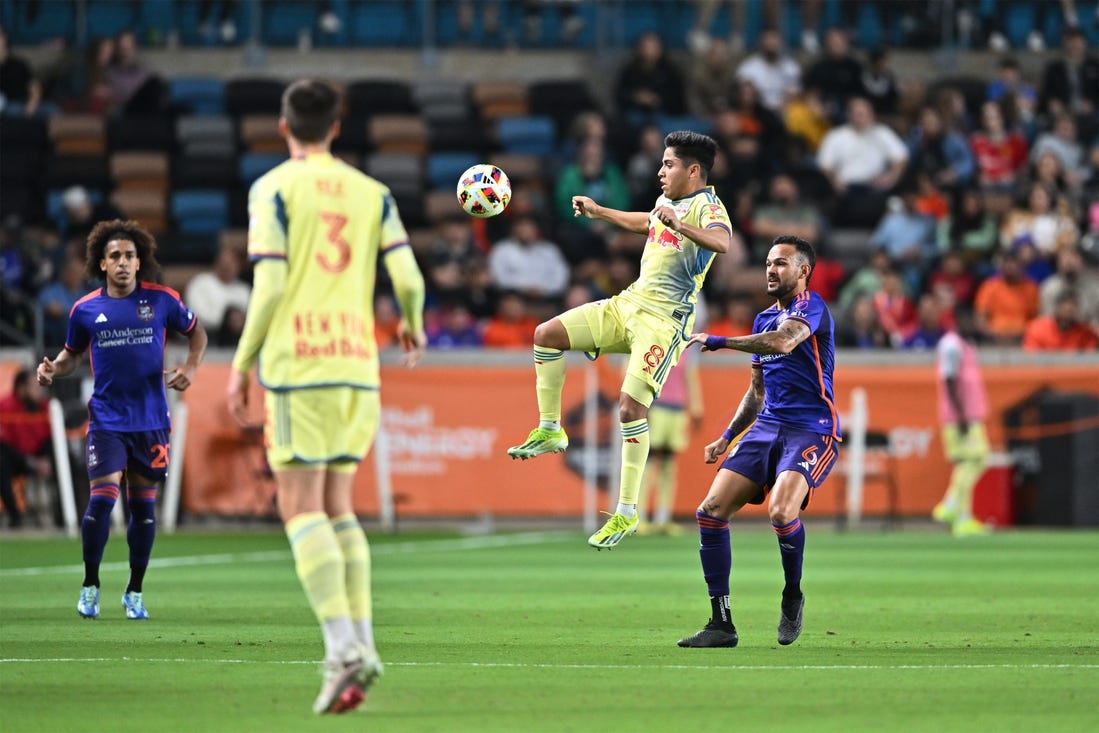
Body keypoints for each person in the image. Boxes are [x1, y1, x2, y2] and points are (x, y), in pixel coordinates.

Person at [225, 79, 426, 715]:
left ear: (284, 127)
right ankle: (361, 643)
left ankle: (341, 646)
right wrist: (412, 322)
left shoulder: (273, 188)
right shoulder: (374, 193)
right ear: (337, 127)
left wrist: (241, 363)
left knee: (300, 508)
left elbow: (271, 284)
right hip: (357, 364)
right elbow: (409, 277)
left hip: (298, 365)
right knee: (340, 505)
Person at [506, 131, 732, 550]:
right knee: (547, 335)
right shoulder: (667, 204)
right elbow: (645, 221)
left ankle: (627, 512)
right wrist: (598, 212)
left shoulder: (708, 207)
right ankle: (552, 428)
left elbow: (723, 241)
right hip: (628, 304)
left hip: (664, 322)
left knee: (630, 408)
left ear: (693, 170)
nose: (661, 171)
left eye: (669, 164)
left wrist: (682, 226)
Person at [35, 219, 207, 620]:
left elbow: (196, 334)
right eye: (115, 256)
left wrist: (193, 367)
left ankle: (134, 590)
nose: (124, 263)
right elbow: (71, 355)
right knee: (101, 499)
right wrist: (52, 370)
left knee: (143, 511)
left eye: (130, 255)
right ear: (102, 263)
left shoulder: (163, 300)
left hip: (151, 421)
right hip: (108, 419)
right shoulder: (85, 309)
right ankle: (90, 584)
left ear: (139, 260)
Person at [678, 235, 840, 649]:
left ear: (803, 271)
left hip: (811, 427)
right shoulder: (762, 319)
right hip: (767, 426)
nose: (771, 269)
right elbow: (757, 392)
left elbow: (784, 342)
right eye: (769, 262)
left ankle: (792, 594)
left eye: (781, 263)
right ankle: (721, 623)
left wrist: (718, 341)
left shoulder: (812, 309)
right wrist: (728, 435)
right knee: (710, 512)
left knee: (781, 511)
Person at [931, 311, 992, 537]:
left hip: (969, 413)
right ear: (958, 320)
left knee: (968, 463)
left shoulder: (966, 344)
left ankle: (962, 518)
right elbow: (948, 379)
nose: (974, 323)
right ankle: (950, 503)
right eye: (969, 318)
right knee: (977, 458)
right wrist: (961, 415)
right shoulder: (951, 345)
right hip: (961, 416)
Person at [0, 368, 53, 529]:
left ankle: (75, 513)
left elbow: (50, 438)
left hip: (40, 456)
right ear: (22, 388)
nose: (39, 392)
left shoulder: (46, 407)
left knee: (71, 460)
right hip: (16, 459)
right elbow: (4, 443)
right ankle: (15, 517)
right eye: (35, 387)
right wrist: (30, 462)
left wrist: (45, 459)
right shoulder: (5, 407)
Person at [1022, 290, 1099, 351]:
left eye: (1073, 306)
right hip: (1041, 369)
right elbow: (1030, 358)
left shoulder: (1086, 333)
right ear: (1056, 308)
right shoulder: (1037, 328)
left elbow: (1090, 359)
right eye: (1064, 306)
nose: (1069, 309)